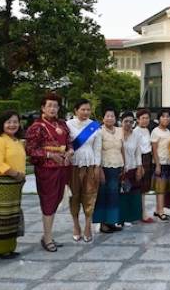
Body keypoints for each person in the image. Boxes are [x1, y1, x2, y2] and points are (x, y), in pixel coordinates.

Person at [25, 93, 73, 252]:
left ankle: (48, 234)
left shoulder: (62, 124)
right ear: (43, 108)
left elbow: (69, 142)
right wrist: (49, 155)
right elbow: (30, 150)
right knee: (48, 201)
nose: (53, 109)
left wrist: (70, 151)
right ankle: (47, 238)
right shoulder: (37, 127)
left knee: (57, 199)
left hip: (63, 167)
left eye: (55, 106)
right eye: (49, 106)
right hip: (47, 169)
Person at [0, 110, 26, 259]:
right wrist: (16, 174)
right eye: (8, 122)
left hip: (15, 183)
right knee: (2, 217)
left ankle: (9, 247)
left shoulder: (17, 141)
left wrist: (20, 176)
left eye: (15, 122)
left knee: (12, 216)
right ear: (2, 124)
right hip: (2, 182)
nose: (12, 125)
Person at [67, 99, 102, 243]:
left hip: (90, 165)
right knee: (74, 196)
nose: (86, 112)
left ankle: (88, 226)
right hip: (73, 166)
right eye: (83, 109)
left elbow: (97, 148)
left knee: (90, 195)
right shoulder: (68, 125)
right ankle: (76, 225)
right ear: (76, 110)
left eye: (88, 109)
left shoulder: (94, 126)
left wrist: (97, 166)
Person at [93, 108, 124, 233]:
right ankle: (103, 224)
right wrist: (99, 169)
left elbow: (122, 148)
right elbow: (97, 151)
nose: (110, 118)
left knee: (114, 196)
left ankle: (112, 221)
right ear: (103, 118)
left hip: (117, 166)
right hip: (105, 167)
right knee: (103, 196)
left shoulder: (120, 131)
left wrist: (124, 165)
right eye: (107, 116)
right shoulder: (99, 131)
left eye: (112, 116)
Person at [119, 111, 145, 226]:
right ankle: (120, 217)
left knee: (132, 194)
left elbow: (138, 153)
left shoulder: (136, 135)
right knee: (121, 194)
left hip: (132, 167)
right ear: (121, 122)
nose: (128, 124)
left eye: (131, 121)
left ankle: (130, 217)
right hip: (119, 168)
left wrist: (139, 167)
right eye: (126, 121)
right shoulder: (117, 134)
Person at [151, 110, 170, 220]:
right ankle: (161, 212)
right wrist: (157, 165)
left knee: (163, 188)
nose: (166, 118)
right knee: (160, 188)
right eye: (163, 116)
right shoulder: (155, 131)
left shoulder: (168, 131)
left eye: (168, 116)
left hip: (167, 162)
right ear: (159, 118)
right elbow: (154, 150)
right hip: (159, 163)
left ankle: (157, 210)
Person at [134, 108, 155, 223]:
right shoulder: (135, 132)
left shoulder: (147, 130)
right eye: (142, 118)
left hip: (148, 158)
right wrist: (139, 165)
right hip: (139, 159)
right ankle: (141, 213)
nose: (145, 120)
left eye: (147, 118)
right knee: (139, 187)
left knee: (144, 188)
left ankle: (142, 212)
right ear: (138, 119)